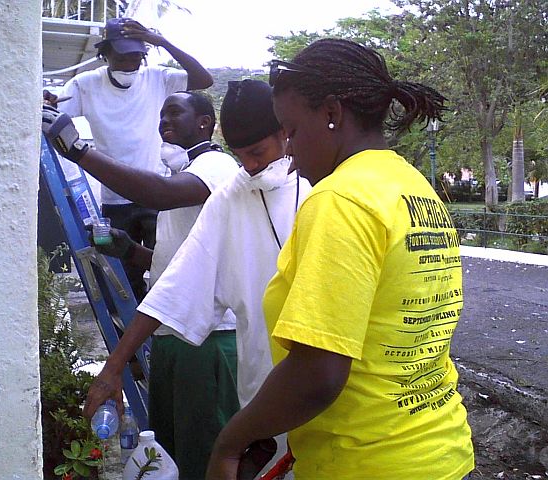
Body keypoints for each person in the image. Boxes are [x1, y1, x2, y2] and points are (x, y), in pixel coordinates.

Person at [206, 39, 475, 479]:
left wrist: (229, 444)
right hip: (440, 448)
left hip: (369, 463)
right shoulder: (412, 186)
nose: (288, 155)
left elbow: (319, 373)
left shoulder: (340, 200)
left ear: (332, 113)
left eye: (291, 131)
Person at [80, 79, 311, 478]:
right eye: (242, 156)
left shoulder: (315, 190)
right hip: (261, 386)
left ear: (284, 134)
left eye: (257, 152)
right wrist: (113, 366)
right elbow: (176, 283)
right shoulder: (232, 193)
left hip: (320, 382)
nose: (251, 166)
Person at [42, 90, 240, 480]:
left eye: (175, 113)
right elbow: (176, 265)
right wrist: (132, 251)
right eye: (161, 114)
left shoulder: (217, 166)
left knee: (203, 457)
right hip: (172, 334)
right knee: (169, 458)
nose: (164, 121)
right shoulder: (182, 175)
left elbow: (156, 194)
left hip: (204, 337)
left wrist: (78, 150)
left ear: (205, 122)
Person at [44, 17, 213, 302]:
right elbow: (57, 112)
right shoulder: (86, 84)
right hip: (115, 199)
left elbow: (204, 80)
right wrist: (48, 102)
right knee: (126, 277)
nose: (131, 62)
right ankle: (134, 342)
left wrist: (162, 42)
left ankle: (163, 329)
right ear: (105, 53)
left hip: (156, 195)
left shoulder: (157, 78)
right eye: (123, 55)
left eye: (137, 54)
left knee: (165, 267)